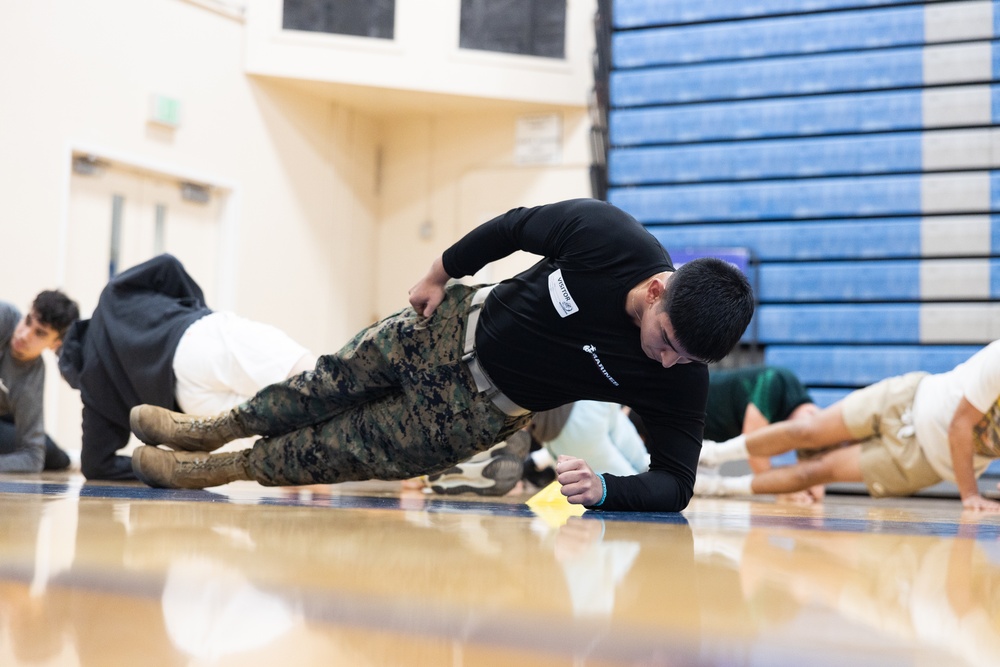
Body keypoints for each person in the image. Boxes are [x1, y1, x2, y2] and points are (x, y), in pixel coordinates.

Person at [128, 198, 754, 512]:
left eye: (687, 363)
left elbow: (677, 483)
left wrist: (608, 489)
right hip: (443, 328)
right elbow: (514, 227)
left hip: (472, 416)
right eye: (668, 342)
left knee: (329, 452)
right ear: (655, 290)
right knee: (315, 387)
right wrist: (439, 272)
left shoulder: (679, 378)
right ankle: (206, 431)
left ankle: (210, 471)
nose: (669, 363)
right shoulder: (608, 238)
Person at [57, 254, 315, 481]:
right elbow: (168, 265)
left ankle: (315, 478)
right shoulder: (112, 297)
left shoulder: (91, 389)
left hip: (186, 406)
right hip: (192, 340)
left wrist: (161, 463)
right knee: (311, 377)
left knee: (280, 432)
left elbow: (95, 466)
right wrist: (197, 310)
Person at [695, 340, 1000, 511]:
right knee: (808, 432)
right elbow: (960, 424)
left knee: (817, 473)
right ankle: (712, 453)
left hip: (924, 461)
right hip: (908, 400)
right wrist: (970, 494)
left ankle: (718, 488)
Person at [700, 365, 823, 502]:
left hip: (705, 432)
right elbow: (753, 446)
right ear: (810, 413)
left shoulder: (803, 416)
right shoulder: (777, 380)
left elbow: (813, 479)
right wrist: (781, 489)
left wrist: (811, 487)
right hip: (689, 403)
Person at [0, 291, 80, 473]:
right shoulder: (3, 316)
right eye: (28, 321)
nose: (24, 335)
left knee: (48, 449)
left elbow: (33, 457)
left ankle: (69, 460)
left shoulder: (32, 377)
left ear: (55, 344)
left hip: (6, 415)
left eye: (40, 333)